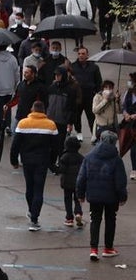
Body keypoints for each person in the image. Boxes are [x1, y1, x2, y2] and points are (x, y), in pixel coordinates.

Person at [77, 129, 128, 260]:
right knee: (110, 220)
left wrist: (80, 194)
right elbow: (120, 181)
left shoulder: (89, 157)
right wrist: (122, 196)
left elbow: (81, 178)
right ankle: (108, 248)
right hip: (111, 197)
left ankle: (93, 249)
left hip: (94, 195)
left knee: (95, 220)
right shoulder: (116, 160)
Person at [11, 101, 61, 231]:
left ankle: (30, 209)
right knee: (39, 189)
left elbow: (15, 144)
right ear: (44, 111)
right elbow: (56, 147)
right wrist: (52, 162)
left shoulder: (23, 123)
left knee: (29, 187)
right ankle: (34, 219)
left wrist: (14, 161)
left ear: (32, 110)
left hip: (27, 161)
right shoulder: (51, 125)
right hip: (42, 161)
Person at [70, 46, 103, 140]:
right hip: (77, 96)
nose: (81, 55)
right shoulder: (73, 66)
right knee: (76, 116)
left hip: (90, 96)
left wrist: (98, 94)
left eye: (83, 54)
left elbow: (98, 82)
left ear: (87, 55)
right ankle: (79, 132)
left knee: (92, 117)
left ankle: (93, 134)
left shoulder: (94, 67)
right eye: (79, 53)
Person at [54, 136, 86, 229]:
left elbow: (61, 170)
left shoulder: (64, 157)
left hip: (67, 182)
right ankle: (78, 213)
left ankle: (69, 218)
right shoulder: (81, 158)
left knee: (67, 199)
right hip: (78, 182)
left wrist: (54, 168)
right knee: (77, 199)